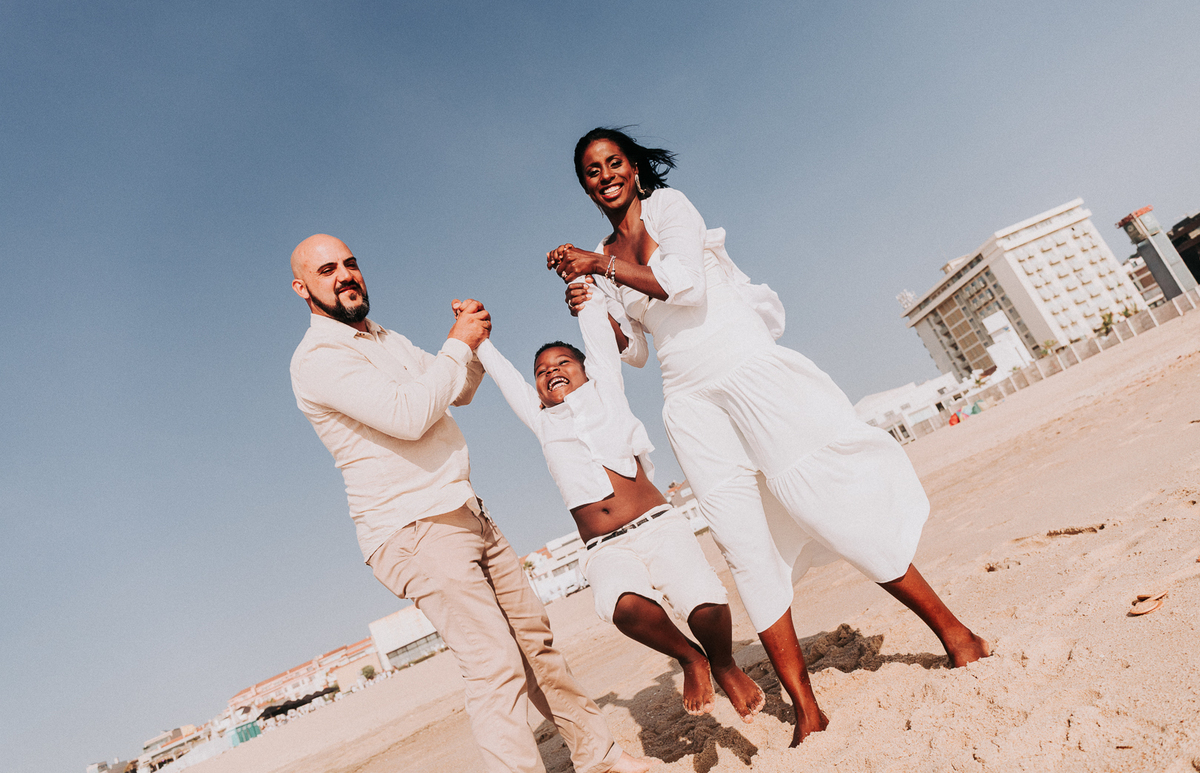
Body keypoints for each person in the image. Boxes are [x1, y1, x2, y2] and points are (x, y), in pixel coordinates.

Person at [546, 129, 990, 746]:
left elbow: (686, 284)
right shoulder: (605, 250)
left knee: (823, 500)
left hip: (745, 369)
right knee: (741, 543)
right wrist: (592, 301)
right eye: (592, 171)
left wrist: (602, 266)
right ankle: (807, 707)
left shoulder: (670, 208)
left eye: (613, 162)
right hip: (689, 403)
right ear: (585, 185)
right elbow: (640, 348)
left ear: (633, 166)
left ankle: (954, 632)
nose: (605, 175)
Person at [288, 234, 653, 773]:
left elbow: (456, 390)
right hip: (410, 528)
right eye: (326, 271)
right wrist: (456, 344)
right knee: (493, 663)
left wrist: (474, 340)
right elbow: (409, 415)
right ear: (303, 289)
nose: (344, 275)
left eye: (350, 264)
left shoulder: (387, 339)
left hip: (465, 509)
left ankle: (599, 756)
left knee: (537, 644)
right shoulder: (317, 357)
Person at [470, 282, 764, 721]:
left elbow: (596, 335)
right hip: (604, 547)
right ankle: (690, 658)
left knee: (704, 604)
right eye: (541, 370)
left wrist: (581, 288)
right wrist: (479, 338)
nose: (551, 370)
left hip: (656, 525)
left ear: (585, 370)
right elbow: (505, 376)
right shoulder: (542, 420)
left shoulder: (606, 389)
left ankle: (722, 662)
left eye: (562, 362)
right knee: (622, 605)